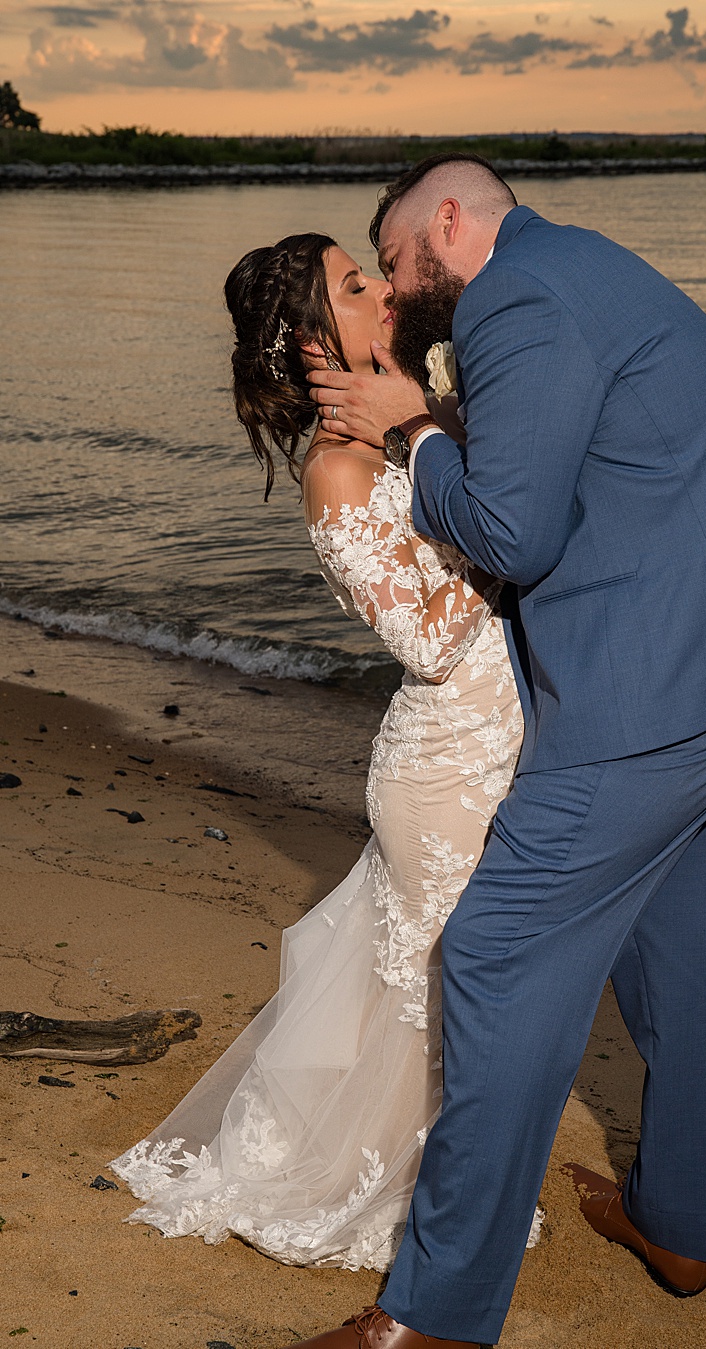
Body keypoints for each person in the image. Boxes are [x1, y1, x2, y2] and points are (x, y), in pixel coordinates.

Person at [288, 154, 706, 1349]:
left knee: (495, 949)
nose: (400, 292)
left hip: (648, 690)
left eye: (394, 261)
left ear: (449, 222)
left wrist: (409, 432)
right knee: (689, 956)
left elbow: (512, 527)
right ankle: (685, 1223)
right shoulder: (588, 265)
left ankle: (437, 1317)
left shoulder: (517, 299)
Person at [111, 232, 531, 1269]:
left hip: (496, 746)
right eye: (355, 284)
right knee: (441, 995)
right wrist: (513, 533)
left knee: (439, 991)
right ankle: (427, 1204)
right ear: (310, 338)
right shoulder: (341, 471)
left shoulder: (393, 433)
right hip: (444, 769)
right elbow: (431, 641)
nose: (384, 287)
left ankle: (447, 1183)